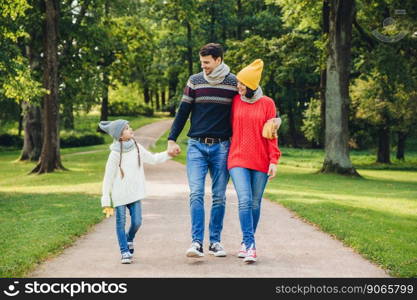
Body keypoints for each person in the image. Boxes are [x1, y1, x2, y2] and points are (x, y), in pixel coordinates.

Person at [227, 59, 281, 263]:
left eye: (242, 84)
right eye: (238, 83)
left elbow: (271, 135)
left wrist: (273, 161)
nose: (238, 86)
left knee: (256, 203)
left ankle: (244, 241)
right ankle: (250, 246)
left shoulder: (268, 104)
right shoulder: (235, 101)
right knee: (245, 200)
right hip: (237, 158)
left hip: (260, 160)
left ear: (251, 85)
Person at [99, 119, 174, 264]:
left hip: (134, 194)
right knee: (120, 223)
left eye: (129, 126)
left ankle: (129, 239)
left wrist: (168, 154)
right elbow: (108, 178)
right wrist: (106, 200)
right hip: (119, 195)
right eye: (127, 128)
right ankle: (124, 251)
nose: (131, 129)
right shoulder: (114, 154)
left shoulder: (136, 147)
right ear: (120, 136)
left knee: (137, 222)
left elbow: (152, 159)